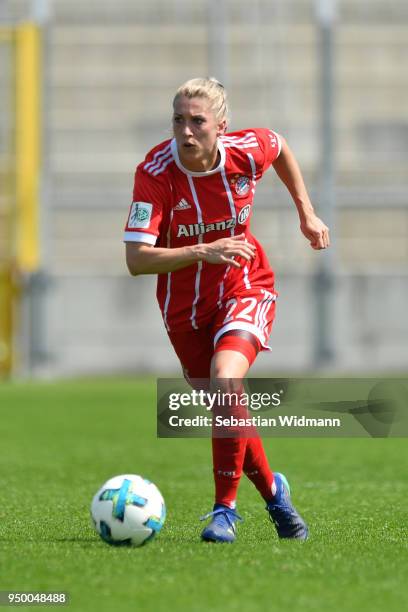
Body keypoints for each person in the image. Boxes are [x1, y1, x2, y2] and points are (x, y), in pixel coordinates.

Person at [124, 77, 330, 543]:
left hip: (245, 285)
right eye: (179, 120)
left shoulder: (245, 151)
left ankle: (224, 511)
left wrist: (306, 212)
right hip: (184, 309)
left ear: (221, 125)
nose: (186, 131)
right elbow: (137, 260)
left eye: (197, 121)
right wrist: (203, 250)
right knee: (225, 405)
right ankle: (276, 493)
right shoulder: (155, 174)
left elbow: (278, 147)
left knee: (226, 380)